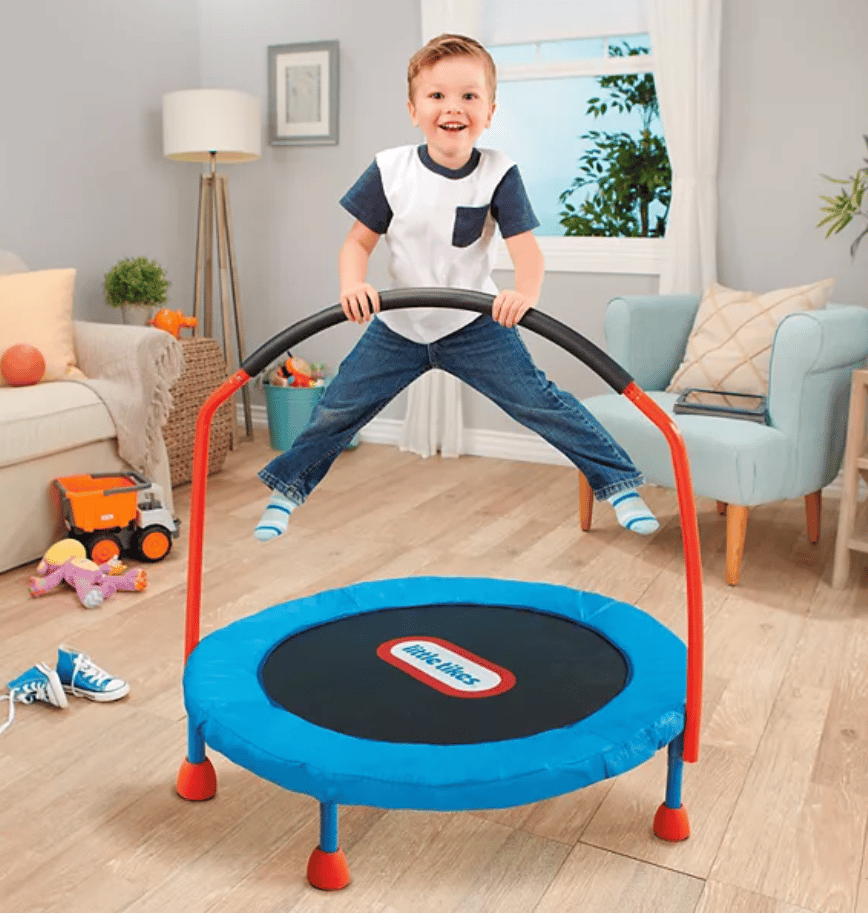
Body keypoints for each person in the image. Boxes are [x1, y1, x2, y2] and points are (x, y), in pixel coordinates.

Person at [254, 33, 658, 541]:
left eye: (469, 96)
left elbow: (527, 251)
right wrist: (351, 284)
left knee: (541, 402)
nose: (453, 108)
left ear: (489, 111)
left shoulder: (499, 172)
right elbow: (356, 244)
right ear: (413, 108)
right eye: (437, 95)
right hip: (400, 325)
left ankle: (618, 481)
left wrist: (525, 294)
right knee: (338, 407)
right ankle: (286, 491)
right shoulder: (389, 170)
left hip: (473, 324)